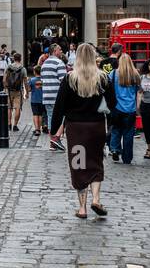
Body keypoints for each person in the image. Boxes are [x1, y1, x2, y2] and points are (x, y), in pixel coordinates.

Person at [50, 43, 115, 220]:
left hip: (76, 128)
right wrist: (107, 118)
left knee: (79, 165)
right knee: (95, 162)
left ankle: (82, 208)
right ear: (94, 57)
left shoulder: (70, 79)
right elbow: (112, 103)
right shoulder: (103, 78)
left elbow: (59, 107)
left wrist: (54, 129)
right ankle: (96, 199)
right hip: (96, 127)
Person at [108, 52, 140, 164]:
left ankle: (115, 149)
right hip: (130, 109)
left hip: (116, 107)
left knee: (116, 130)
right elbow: (138, 91)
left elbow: (108, 88)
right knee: (128, 133)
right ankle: (127, 157)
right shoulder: (135, 74)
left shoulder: (113, 73)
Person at [40, 43, 69, 152]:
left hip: (46, 95)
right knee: (62, 118)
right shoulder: (59, 63)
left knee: (51, 118)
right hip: (57, 96)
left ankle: (52, 143)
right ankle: (56, 138)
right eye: (60, 50)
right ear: (54, 51)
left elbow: (42, 80)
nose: (61, 51)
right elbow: (64, 81)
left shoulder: (44, 64)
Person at [4, 55, 27, 130]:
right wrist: (27, 92)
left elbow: (4, 80)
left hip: (9, 90)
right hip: (18, 91)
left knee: (9, 108)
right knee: (17, 108)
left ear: (14, 59)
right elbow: (25, 82)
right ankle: (15, 125)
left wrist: (5, 88)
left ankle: (8, 124)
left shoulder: (8, 67)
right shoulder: (23, 69)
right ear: (20, 59)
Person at [28, 66, 45, 134]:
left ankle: (37, 129)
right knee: (40, 115)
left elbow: (29, 89)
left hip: (34, 100)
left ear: (34, 72)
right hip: (42, 99)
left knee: (35, 114)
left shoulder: (32, 80)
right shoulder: (43, 79)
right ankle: (40, 129)